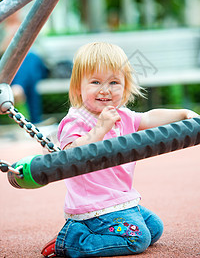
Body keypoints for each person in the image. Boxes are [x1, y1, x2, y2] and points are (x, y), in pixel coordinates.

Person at [41, 42, 199, 258]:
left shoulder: (122, 115)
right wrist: (100, 128)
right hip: (93, 205)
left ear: (124, 87)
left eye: (114, 82)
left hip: (118, 199)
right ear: (79, 87)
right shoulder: (76, 121)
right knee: (137, 239)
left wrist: (182, 114)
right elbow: (70, 155)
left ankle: (87, 233)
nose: (105, 90)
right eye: (95, 82)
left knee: (154, 229)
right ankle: (72, 241)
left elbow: (149, 117)